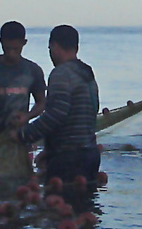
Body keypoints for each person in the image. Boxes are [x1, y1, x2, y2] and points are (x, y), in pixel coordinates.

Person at [17, 24, 100, 185]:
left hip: (69, 158)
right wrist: (48, 151)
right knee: (84, 206)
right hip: (90, 153)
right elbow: (86, 113)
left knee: (59, 205)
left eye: (50, 48)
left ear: (54, 47)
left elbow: (56, 115)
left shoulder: (61, 73)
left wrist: (24, 135)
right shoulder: (86, 72)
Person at [0, 21, 46, 149]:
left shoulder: (33, 71)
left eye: (16, 49)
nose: (11, 53)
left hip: (21, 137)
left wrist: (27, 116)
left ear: (24, 42)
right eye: (7, 49)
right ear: (1, 42)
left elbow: (42, 103)